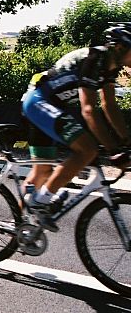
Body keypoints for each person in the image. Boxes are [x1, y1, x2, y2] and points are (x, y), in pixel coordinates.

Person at [21, 23, 131, 231]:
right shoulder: (95, 59)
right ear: (119, 48)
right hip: (39, 101)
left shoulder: (111, 67)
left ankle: (19, 228)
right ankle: (40, 202)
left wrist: (126, 140)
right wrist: (114, 150)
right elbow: (89, 109)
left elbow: (109, 105)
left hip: (59, 106)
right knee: (87, 149)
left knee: (42, 172)